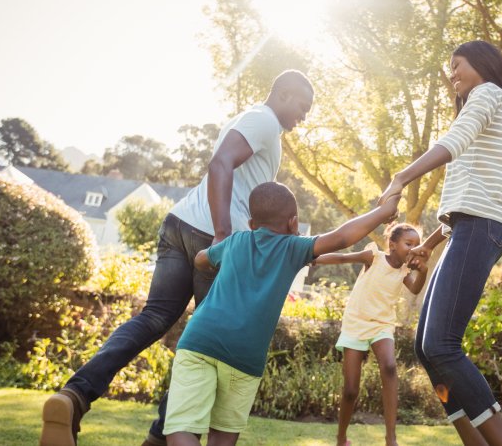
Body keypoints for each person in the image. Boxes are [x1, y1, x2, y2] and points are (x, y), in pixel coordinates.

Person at [39, 70, 315, 446]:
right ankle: (158, 438)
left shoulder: (251, 119)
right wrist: (221, 233)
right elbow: (220, 164)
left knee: (155, 319)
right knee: (206, 345)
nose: (304, 115)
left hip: (180, 223)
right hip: (213, 237)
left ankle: (75, 396)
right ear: (283, 94)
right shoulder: (264, 121)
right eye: (303, 106)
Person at [163, 181, 401, 446]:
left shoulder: (236, 241)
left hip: (200, 341)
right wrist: (382, 213)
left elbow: (200, 258)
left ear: (252, 223)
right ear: (293, 222)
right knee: (222, 435)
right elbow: (342, 237)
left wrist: (208, 261)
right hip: (244, 355)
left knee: (181, 428)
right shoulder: (293, 247)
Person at [377, 40, 502, 446]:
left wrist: (401, 178)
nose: (452, 74)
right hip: (469, 225)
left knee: (442, 343)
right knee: (426, 347)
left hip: (482, 226)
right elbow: (465, 199)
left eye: (457, 65)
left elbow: (452, 142)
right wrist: (433, 242)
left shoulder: (488, 93)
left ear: (483, 64)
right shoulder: (484, 107)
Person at [312, 223, 429, 446]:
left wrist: (422, 272)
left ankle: (391, 438)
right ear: (393, 245)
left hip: (382, 325)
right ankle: (341, 437)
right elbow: (343, 258)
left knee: (389, 366)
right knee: (350, 389)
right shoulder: (373, 256)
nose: (413, 249)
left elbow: (415, 289)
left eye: (417, 245)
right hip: (356, 323)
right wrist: (314, 258)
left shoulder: (405, 270)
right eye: (409, 244)